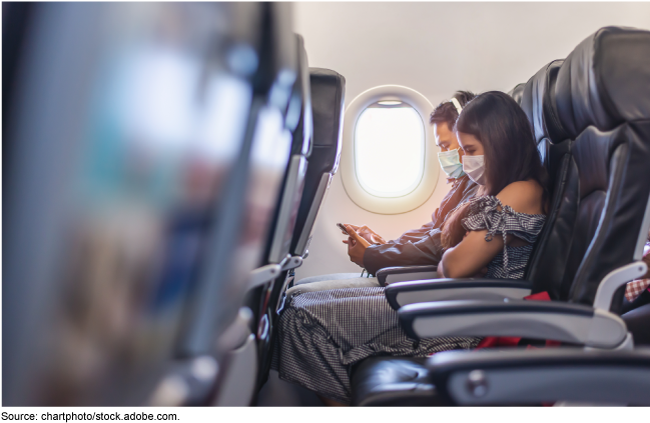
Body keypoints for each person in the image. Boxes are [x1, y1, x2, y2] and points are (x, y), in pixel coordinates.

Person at [272, 91, 550, 404]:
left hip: (473, 320)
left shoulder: (521, 190)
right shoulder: (496, 190)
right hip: (454, 303)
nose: (465, 159)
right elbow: (452, 255)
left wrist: (455, 245)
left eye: (470, 150)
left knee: (301, 321)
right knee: (298, 306)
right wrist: (455, 246)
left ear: (499, 145)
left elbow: (455, 266)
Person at [292, 91, 479, 292]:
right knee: (302, 288)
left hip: (432, 285)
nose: (443, 155)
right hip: (422, 277)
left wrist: (373, 255)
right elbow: (431, 231)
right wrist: (384, 246)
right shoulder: (462, 185)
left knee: (299, 302)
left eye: (445, 146)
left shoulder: (478, 189)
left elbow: (437, 246)